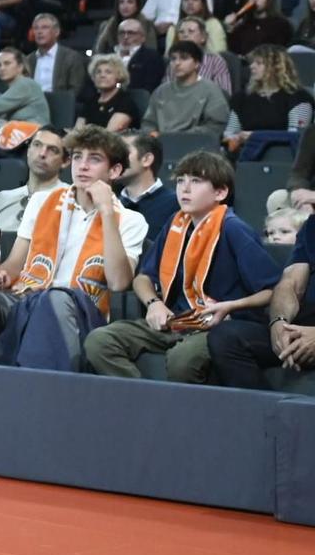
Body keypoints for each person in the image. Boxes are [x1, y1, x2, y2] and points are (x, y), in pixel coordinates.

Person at [0, 126, 146, 369]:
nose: (82, 166)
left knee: (55, 298)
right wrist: (2, 276)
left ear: (115, 170)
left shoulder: (130, 220)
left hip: (81, 310)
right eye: (77, 157)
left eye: (94, 159)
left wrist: (106, 212)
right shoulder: (42, 201)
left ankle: (51, 392)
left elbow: (119, 282)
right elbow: (14, 265)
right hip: (27, 298)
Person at [85, 152, 280, 384]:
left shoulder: (234, 229)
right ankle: (145, 402)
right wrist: (153, 303)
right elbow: (143, 278)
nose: (184, 189)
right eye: (180, 181)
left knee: (182, 359)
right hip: (176, 321)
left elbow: (272, 290)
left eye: (196, 181)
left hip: (218, 327)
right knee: (100, 341)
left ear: (220, 192)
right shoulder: (175, 223)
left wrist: (231, 306)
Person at [207, 209, 315, 389]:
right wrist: (278, 323)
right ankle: (262, 414)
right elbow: (291, 282)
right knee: (226, 337)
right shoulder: (312, 225)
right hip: (303, 325)